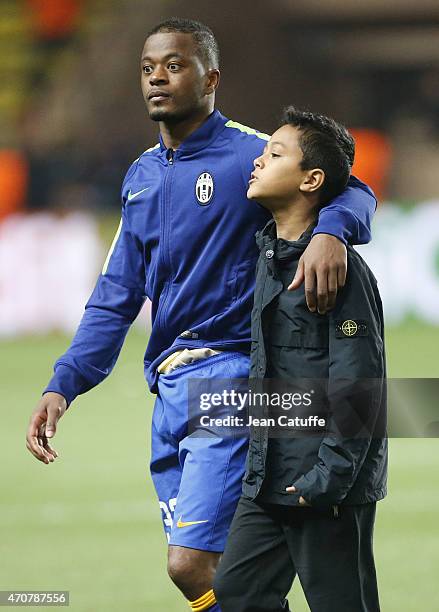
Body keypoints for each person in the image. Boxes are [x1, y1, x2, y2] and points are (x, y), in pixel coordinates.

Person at [25, 19, 377, 612]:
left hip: (233, 378)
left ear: (210, 77)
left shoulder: (249, 154)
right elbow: (116, 292)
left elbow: (351, 187)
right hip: (167, 386)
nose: (157, 78)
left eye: (174, 64)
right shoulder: (141, 176)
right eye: (147, 67)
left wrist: (333, 233)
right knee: (202, 575)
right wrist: (64, 383)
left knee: (192, 562)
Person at [213, 108, 387, 612]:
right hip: (269, 474)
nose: (257, 162)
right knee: (238, 592)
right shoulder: (267, 252)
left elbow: (360, 382)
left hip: (324, 480)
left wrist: (328, 478)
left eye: (274, 154)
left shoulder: (338, 270)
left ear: (311, 179)